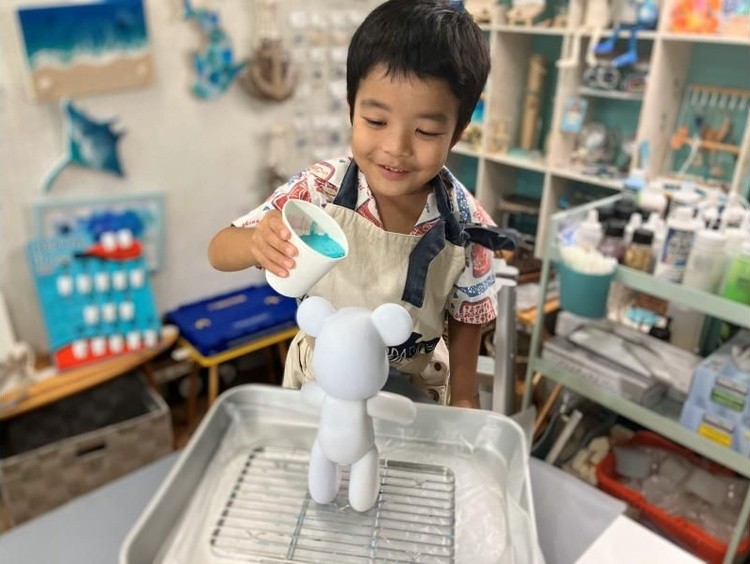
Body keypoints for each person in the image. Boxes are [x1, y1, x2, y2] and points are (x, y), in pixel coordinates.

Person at [208, 0, 515, 407]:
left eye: (425, 131)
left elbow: (467, 320)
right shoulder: (320, 190)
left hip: (415, 391)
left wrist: (464, 398)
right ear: (351, 107)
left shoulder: (465, 223)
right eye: (376, 122)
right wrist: (255, 243)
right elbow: (219, 250)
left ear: (457, 132)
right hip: (321, 383)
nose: (396, 148)